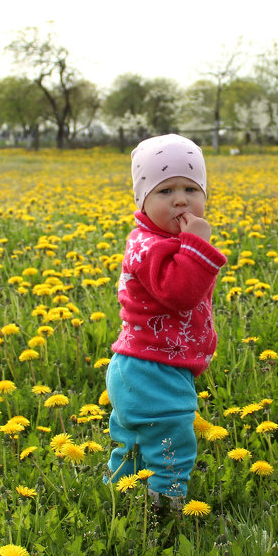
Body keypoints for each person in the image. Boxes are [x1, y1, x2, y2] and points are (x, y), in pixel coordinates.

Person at [106, 134, 227, 507]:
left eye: (191, 188)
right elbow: (180, 293)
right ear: (141, 200)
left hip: (146, 364)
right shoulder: (147, 245)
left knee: (136, 439)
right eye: (165, 191)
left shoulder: (165, 241)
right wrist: (197, 247)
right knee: (172, 440)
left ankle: (122, 496)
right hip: (152, 367)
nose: (180, 199)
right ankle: (166, 506)